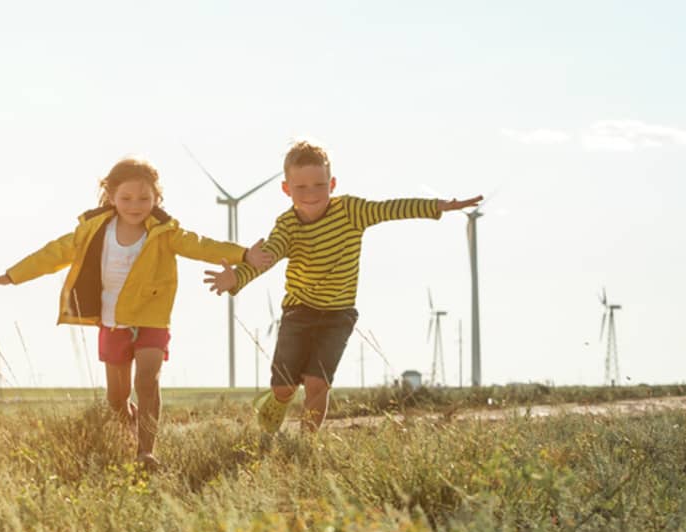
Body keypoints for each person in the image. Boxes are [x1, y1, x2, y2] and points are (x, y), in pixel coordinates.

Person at [0, 156, 272, 469]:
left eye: (145, 198)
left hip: (152, 319)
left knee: (147, 381)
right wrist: (13, 275)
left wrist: (243, 254)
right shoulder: (92, 230)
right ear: (112, 198)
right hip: (113, 322)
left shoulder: (165, 233)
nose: (136, 205)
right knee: (116, 400)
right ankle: (130, 427)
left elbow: (202, 245)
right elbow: (52, 253)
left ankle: (146, 451)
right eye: (127, 198)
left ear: (157, 198)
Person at [205, 139, 481, 433]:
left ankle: (307, 442)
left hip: (338, 315)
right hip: (298, 311)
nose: (311, 194)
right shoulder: (287, 225)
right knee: (284, 386)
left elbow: (392, 209)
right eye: (301, 187)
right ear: (286, 189)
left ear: (332, 183)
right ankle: (278, 400)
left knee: (317, 383)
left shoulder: (351, 211)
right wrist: (236, 277)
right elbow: (267, 256)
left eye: (319, 185)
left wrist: (438, 206)